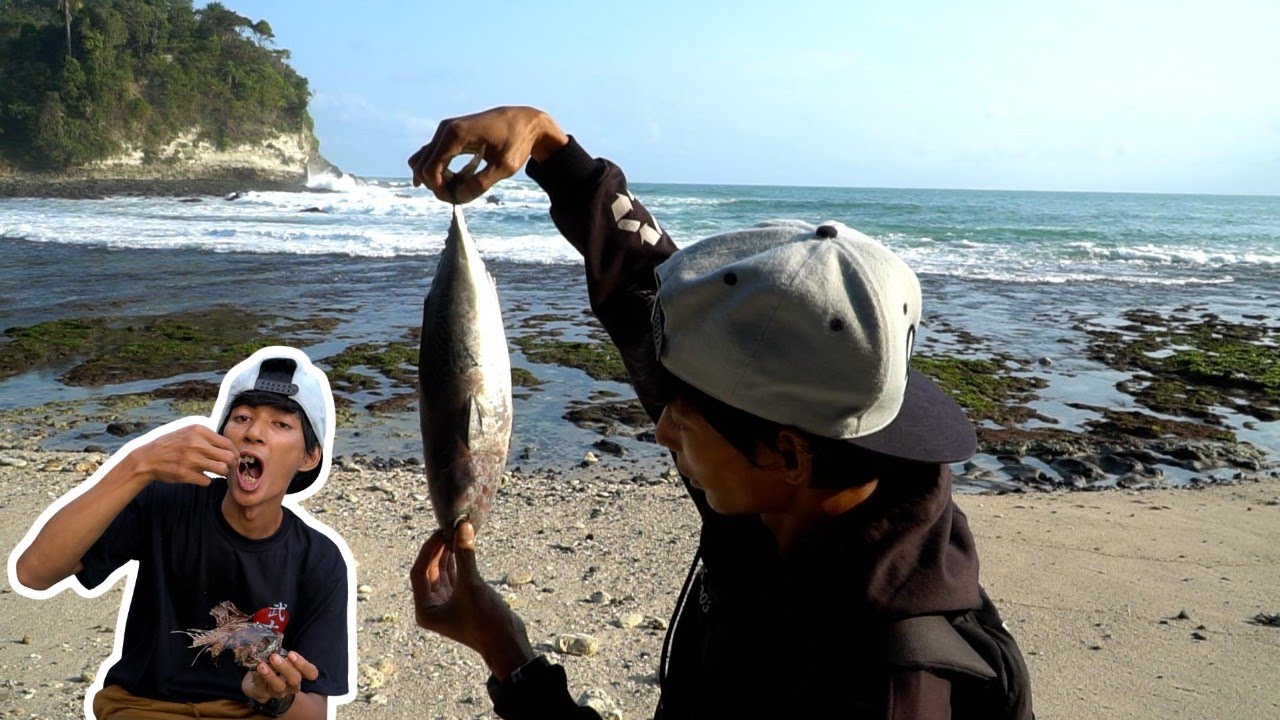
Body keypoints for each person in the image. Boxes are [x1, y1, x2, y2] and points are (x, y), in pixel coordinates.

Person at [406, 107, 1032, 718]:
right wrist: (549, 146)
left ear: (788, 454)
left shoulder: (883, 689)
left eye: (681, 416)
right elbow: (642, 288)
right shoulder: (795, 475)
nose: (660, 429)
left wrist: (515, 667)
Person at [11, 347, 354, 720]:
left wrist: (274, 697)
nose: (254, 432)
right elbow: (35, 572)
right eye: (242, 417)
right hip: (142, 708)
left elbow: (313, 713)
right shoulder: (165, 502)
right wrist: (137, 465)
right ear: (222, 437)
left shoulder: (318, 560)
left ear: (309, 456)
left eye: (281, 424)